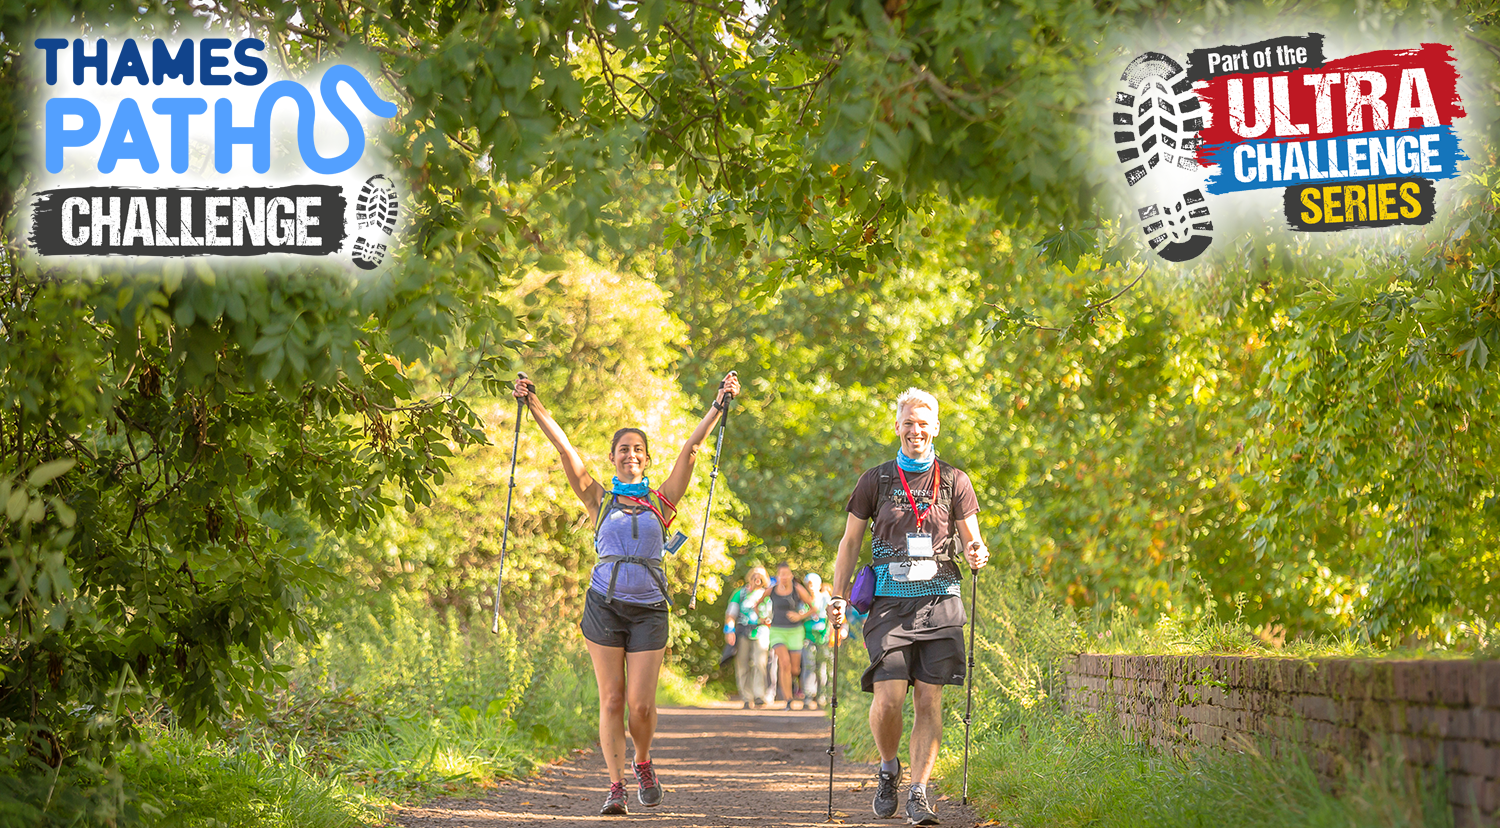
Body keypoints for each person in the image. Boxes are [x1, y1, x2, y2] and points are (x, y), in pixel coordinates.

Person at [515, 371, 740, 816]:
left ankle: (643, 761)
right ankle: (615, 786)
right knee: (612, 700)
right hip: (603, 607)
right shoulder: (599, 500)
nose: (630, 455)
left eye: (638, 449)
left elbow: (692, 452)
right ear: (614, 458)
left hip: (650, 610)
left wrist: (718, 404)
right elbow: (565, 450)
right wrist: (533, 402)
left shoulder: (662, 500)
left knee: (641, 705)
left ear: (646, 459)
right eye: (623, 449)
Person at [828, 387, 990, 826]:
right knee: (889, 699)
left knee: (929, 699)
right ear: (897, 427)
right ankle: (888, 768)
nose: (915, 430)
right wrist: (837, 596)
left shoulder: (955, 480)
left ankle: (918, 792)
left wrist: (978, 553)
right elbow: (850, 542)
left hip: (940, 600)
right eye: (908, 423)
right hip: (888, 605)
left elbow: (974, 538)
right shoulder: (875, 480)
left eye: (923, 423)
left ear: (935, 428)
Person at [750, 562, 817, 710]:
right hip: (777, 630)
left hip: (795, 631)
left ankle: (791, 691)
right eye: (782, 574)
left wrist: (800, 616)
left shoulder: (797, 589)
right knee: (784, 663)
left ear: (791, 575)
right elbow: (756, 604)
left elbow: (814, 607)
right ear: (778, 576)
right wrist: (761, 618)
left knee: (794, 669)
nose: (784, 577)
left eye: (787, 574)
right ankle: (788, 699)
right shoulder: (771, 590)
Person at [725, 567, 771, 708]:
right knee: (742, 664)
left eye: (760, 577)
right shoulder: (740, 593)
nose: (757, 579)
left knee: (759, 663)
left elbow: (772, 615)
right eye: (754, 576)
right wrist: (729, 630)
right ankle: (746, 697)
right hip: (742, 631)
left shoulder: (767, 595)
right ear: (749, 577)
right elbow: (730, 614)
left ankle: (759, 695)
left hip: (761, 632)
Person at [800, 573, 831, 709]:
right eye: (809, 584)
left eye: (814, 583)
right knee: (808, 666)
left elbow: (831, 618)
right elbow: (799, 616)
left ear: (819, 584)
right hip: (808, 637)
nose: (811, 586)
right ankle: (808, 696)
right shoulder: (804, 599)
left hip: (823, 638)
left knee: (822, 668)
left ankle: (822, 696)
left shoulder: (825, 598)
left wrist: (831, 636)